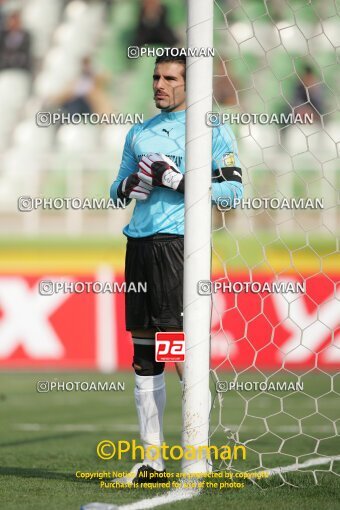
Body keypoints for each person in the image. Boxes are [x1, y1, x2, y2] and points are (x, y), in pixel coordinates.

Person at [110, 54, 243, 482]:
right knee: (144, 352)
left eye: (170, 78)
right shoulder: (139, 132)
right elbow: (116, 187)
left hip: (179, 247)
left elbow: (232, 192)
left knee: (178, 348)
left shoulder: (211, 130)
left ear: (190, 83)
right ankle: (152, 462)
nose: (159, 85)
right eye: (155, 77)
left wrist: (178, 180)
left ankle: (196, 455)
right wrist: (132, 184)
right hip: (140, 247)